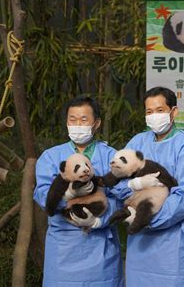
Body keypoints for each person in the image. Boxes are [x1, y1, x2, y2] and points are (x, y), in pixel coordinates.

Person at [115, 86, 184, 286]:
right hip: (139, 246)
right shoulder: (138, 142)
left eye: (160, 111)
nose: (154, 116)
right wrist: (135, 184)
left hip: (172, 244)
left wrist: (144, 217)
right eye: (149, 112)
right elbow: (118, 180)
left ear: (173, 112)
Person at [33, 95, 124, 287]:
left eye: (84, 120)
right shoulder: (50, 157)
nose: (77, 125)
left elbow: (123, 198)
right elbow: (42, 194)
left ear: (96, 123)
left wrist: (99, 220)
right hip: (63, 249)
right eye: (72, 120)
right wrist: (67, 195)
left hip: (100, 249)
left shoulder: (112, 156)